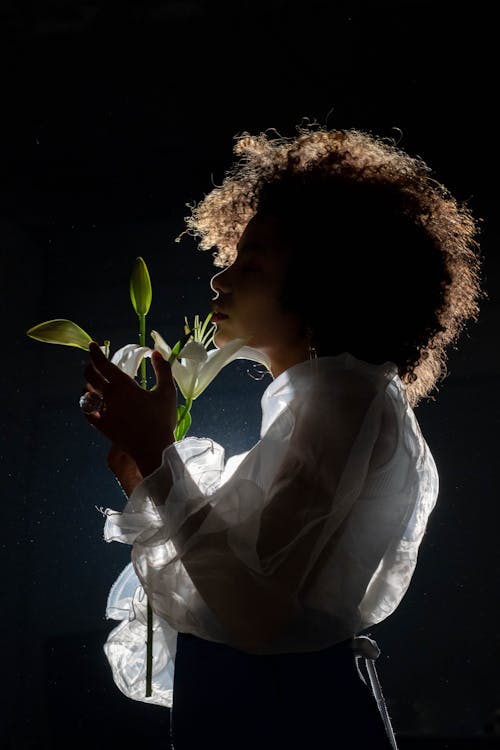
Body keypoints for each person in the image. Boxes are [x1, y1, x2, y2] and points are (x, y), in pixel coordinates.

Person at [82, 123, 483, 749]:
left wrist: (160, 456)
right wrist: (144, 466)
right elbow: (247, 582)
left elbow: (254, 615)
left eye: (253, 262)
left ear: (324, 281)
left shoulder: (347, 400)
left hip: (283, 718)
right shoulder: (327, 400)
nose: (222, 280)